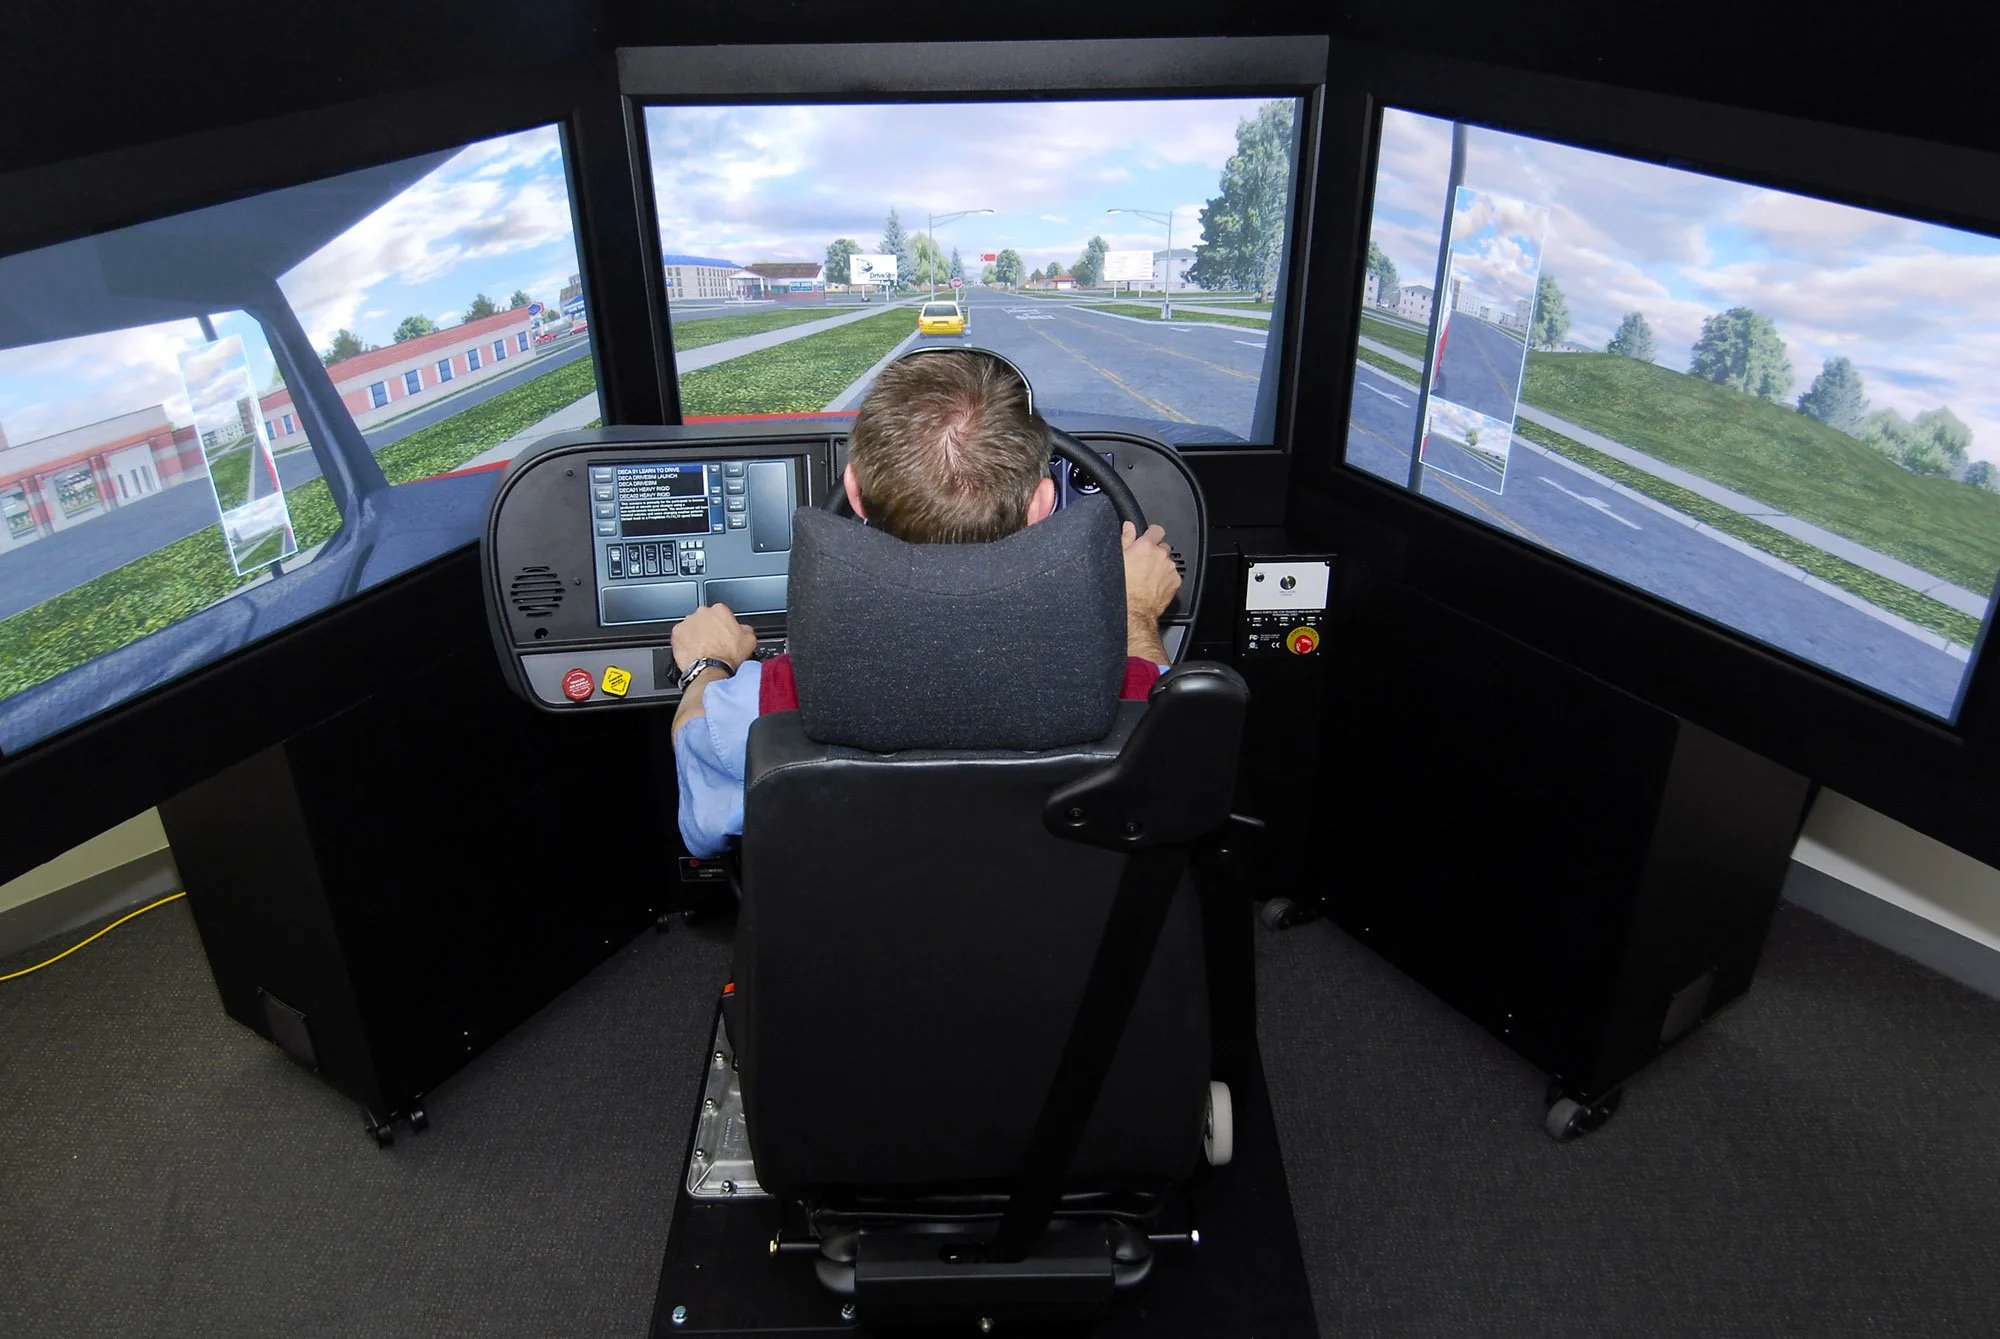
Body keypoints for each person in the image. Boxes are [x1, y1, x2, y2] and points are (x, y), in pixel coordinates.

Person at [669, 349, 1183, 857]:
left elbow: (705, 826)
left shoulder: (767, 706)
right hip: (1069, 932)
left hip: (848, 934)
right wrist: (1136, 613)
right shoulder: (1124, 687)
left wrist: (706, 667)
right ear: (1043, 503)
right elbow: (1166, 784)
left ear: (854, 492)